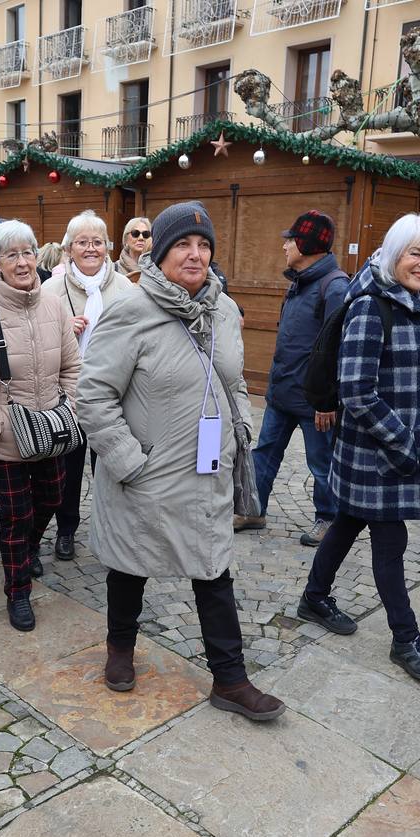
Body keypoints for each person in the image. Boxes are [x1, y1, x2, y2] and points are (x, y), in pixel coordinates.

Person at [76, 201, 284, 722]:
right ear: (159, 253)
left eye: (203, 245)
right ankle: (120, 649)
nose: (195, 254)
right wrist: (130, 462)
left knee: (214, 568)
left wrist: (241, 433)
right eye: (182, 245)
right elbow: (93, 396)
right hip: (145, 474)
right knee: (130, 564)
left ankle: (231, 680)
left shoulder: (224, 310)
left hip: (207, 468)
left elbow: (235, 379)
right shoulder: (131, 310)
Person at [295, 213, 420, 682]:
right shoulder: (372, 305)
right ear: (393, 253)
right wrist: (403, 443)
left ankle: (314, 597)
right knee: (390, 540)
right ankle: (405, 639)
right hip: (379, 451)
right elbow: (356, 391)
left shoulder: (413, 301)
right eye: (414, 253)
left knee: (346, 521)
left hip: (391, 448)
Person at [0, 221, 80, 630]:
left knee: (52, 500)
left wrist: (71, 409)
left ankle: (25, 550)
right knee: (15, 514)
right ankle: (18, 589)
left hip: (53, 431)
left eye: (28, 252)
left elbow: (74, 367)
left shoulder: (55, 305)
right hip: (5, 438)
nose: (23, 262)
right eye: (12, 255)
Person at [241, 211, 349, 543]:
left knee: (321, 462)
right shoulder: (299, 282)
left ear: (306, 244)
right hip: (282, 393)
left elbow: (338, 349)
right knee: (264, 453)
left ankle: (328, 519)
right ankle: (253, 511)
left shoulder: (334, 287)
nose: (285, 245)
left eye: (291, 239)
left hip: (316, 402)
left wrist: (327, 400)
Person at [41, 210, 134, 562]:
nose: (91, 248)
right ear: (69, 249)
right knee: (67, 471)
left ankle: (112, 534)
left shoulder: (126, 287)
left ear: (108, 247)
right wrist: (65, 330)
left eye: (97, 242)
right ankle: (66, 531)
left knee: (111, 469)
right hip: (69, 397)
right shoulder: (50, 288)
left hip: (115, 397)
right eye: (83, 242)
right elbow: (38, 343)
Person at [115, 216, 151, 282]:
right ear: (126, 239)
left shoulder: (157, 269)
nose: (141, 238)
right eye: (135, 233)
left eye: (146, 234)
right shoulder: (113, 269)